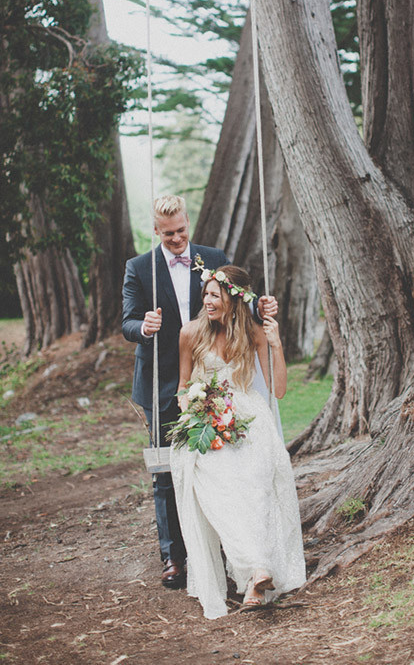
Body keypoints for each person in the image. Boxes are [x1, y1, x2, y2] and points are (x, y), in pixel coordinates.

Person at [122, 195, 277, 589]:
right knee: (167, 472)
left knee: (222, 466)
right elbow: (126, 322)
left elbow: (237, 306)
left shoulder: (212, 256)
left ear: (188, 223)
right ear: (155, 230)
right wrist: (145, 326)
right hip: (163, 383)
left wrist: (263, 308)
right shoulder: (140, 268)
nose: (176, 239)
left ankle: (228, 548)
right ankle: (173, 555)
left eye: (181, 231)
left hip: (215, 382)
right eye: (168, 233)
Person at [170, 265, 306, 619]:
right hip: (207, 423)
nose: (208, 300)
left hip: (249, 420)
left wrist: (275, 343)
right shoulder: (190, 334)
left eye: (215, 294)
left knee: (254, 482)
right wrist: (195, 407)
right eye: (206, 294)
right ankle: (256, 568)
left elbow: (278, 390)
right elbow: (183, 386)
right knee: (220, 484)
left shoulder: (256, 334)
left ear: (233, 299)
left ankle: (256, 579)